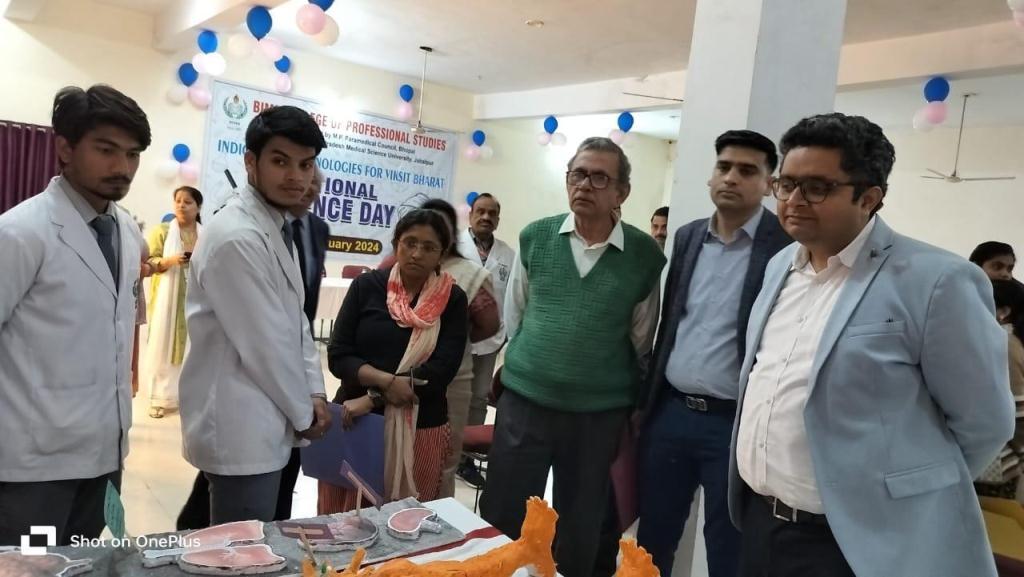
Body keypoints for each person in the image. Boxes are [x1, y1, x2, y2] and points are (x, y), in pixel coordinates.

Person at [729, 113, 1015, 577]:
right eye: (786, 184)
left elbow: (985, 422)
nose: (794, 201)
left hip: (858, 541)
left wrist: (900, 491)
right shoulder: (781, 265)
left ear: (868, 198)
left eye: (816, 188)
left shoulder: (936, 280)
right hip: (761, 521)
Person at [480, 137, 666, 577]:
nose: (584, 185)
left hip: (596, 416)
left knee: (580, 525)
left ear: (622, 192)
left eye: (599, 177)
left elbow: (641, 336)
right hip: (525, 402)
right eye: (578, 174)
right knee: (503, 512)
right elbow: (516, 314)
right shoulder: (537, 236)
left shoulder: (643, 255)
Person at [636, 130, 791, 577]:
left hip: (735, 423)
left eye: (747, 170)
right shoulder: (687, 237)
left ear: (769, 184)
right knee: (653, 539)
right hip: (671, 413)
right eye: (724, 167)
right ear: (711, 175)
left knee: (729, 547)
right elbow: (670, 323)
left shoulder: (784, 246)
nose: (731, 178)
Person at [0, 85, 150, 545]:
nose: (122, 167)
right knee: (31, 566)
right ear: (65, 149)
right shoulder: (21, 232)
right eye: (106, 150)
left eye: (132, 154)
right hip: (33, 464)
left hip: (106, 455)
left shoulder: (127, 231)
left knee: (84, 563)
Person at [178, 105, 332, 524]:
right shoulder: (236, 236)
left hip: (267, 415)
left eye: (305, 164)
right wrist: (305, 413)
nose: (296, 177)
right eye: (280, 161)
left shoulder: (275, 225)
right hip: (239, 424)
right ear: (251, 161)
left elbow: (296, 322)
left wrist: (315, 393)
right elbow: (267, 345)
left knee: (255, 540)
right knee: (240, 549)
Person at [320, 209, 468, 512]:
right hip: (355, 420)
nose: (416, 254)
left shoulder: (452, 299)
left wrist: (373, 398)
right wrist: (385, 382)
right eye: (409, 243)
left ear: (442, 254)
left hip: (420, 425)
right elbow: (339, 356)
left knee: (405, 518)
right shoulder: (366, 287)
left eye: (428, 247)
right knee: (344, 518)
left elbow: (442, 370)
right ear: (396, 244)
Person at [421, 198, 500, 499]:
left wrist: (450, 344)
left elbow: (488, 326)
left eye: (440, 225)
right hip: (399, 381)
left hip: (451, 382)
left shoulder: (469, 274)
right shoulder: (398, 267)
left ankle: (435, 522)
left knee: (441, 461)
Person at [275, 168, 330, 521]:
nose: (310, 189)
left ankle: (280, 517)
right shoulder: (268, 228)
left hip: (302, 345)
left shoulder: (319, 229)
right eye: (307, 181)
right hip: (270, 345)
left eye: (317, 185)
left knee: (293, 448)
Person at [455, 193, 517, 488]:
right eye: (480, 211)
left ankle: (464, 459)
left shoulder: (508, 255)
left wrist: (506, 335)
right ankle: (444, 450)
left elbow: (513, 297)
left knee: (479, 397)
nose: (486, 217)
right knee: (452, 396)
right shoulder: (454, 246)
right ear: (470, 215)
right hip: (455, 338)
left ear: (498, 219)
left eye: (492, 213)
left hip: (490, 340)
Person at [143, 185, 202, 419]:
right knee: (164, 346)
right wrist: (170, 261)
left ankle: (183, 397)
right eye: (178, 201)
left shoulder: (205, 234)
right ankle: (158, 399)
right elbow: (149, 262)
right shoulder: (163, 231)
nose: (181, 205)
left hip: (196, 299)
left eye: (188, 202)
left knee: (191, 348)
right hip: (167, 301)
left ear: (198, 207)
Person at [975, 278, 1024, 502]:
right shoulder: (1006, 342)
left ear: (1004, 311)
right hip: (996, 460)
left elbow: (1017, 409)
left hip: (994, 460)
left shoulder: (1001, 342)